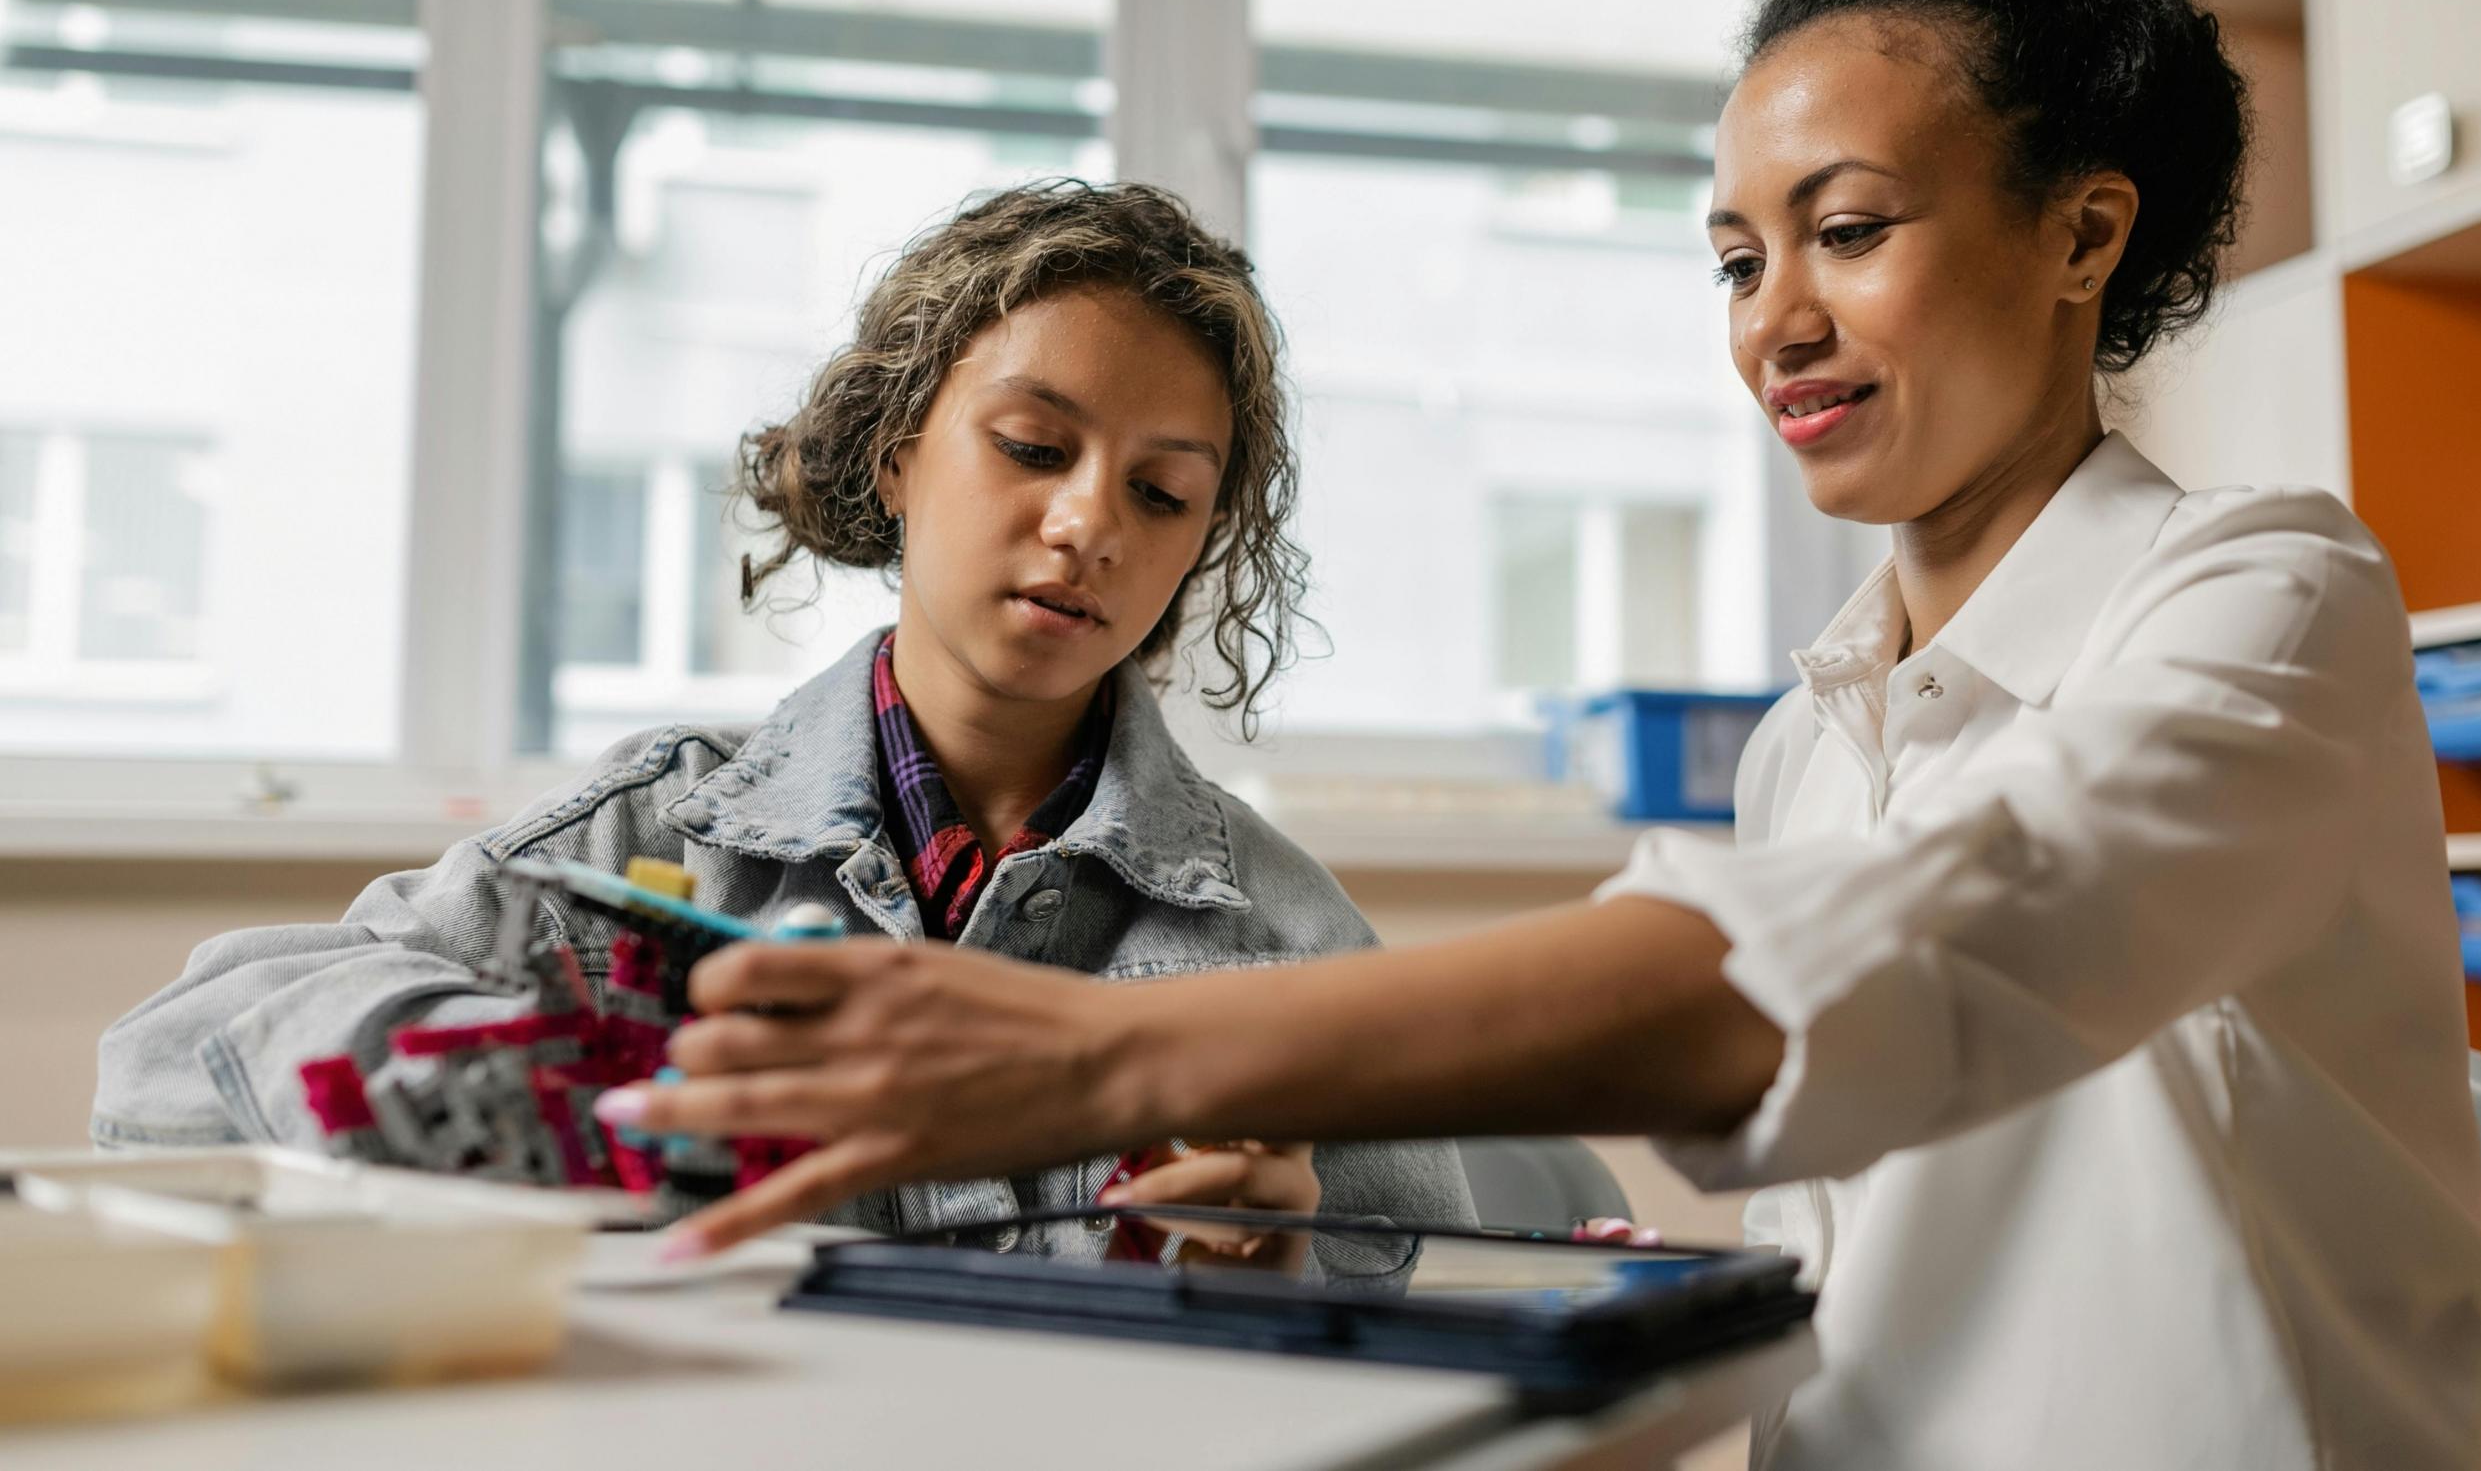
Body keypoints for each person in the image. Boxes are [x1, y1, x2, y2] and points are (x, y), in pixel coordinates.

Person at [596, 0, 2481, 1468]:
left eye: (1846, 230)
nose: (1769, 317)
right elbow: (1832, 1204)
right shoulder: (1808, 746)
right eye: (1732, 256)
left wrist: (1095, 1060)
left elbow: (1904, 956)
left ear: (2078, 234)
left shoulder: (2264, 594)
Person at [91, 179, 1473, 1282]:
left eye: (1163, 494)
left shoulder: (1288, 943)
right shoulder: (641, 853)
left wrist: (1287, 1253)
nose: (1088, 524)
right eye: (1035, 448)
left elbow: (1429, 1289)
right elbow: (161, 1066)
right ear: (895, 452)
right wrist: (513, 1091)